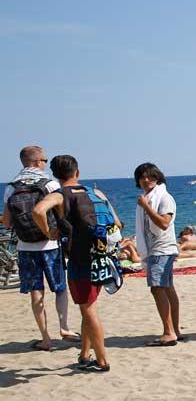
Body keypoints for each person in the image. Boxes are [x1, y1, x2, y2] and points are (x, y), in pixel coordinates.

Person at [31, 155, 110, 372]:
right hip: (100, 256)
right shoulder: (95, 192)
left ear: (55, 175)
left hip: (79, 259)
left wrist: (48, 231)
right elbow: (116, 221)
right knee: (88, 306)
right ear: (77, 172)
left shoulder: (59, 195)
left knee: (89, 309)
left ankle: (102, 360)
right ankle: (85, 354)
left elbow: (37, 211)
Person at [2, 145, 79, 350]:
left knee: (36, 293)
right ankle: (64, 327)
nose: (46, 163)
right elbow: (63, 214)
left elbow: (8, 222)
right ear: (37, 162)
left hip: (26, 248)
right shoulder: (50, 184)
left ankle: (46, 338)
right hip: (51, 244)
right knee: (60, 288)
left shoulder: (11, 187)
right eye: (44, 160)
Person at [134, 163, 182, 345]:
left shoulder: (163, 198)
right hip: (156, 249)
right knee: (167, 288)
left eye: (150, 177)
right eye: (142, 177)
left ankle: (169, 332)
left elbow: (164, 223)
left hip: (162, 248)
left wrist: (146, 207)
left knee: (157, 288)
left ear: (157, 177)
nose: (146, 180)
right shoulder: (147, 198)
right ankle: (175, 330)